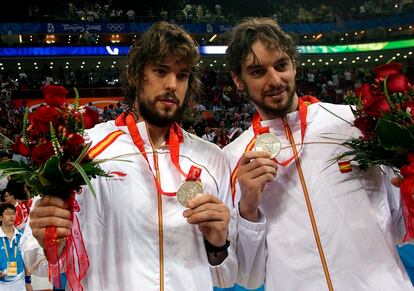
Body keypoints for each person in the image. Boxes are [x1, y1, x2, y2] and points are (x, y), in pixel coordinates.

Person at [21, 21, 236, 290]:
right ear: (136, 75)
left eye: (182, 75)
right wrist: (48, 236)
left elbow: (226, 276)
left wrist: (218, 244)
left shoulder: (211, 158)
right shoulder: (84, 149)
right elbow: (36, 258)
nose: (172, 84)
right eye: (161, 71)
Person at [224, 17, 413, 290]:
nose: (274, 80)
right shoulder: (234, 157)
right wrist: (247, 209)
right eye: (257, 72)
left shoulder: (354, 123)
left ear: (294, 65)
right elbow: (249, 276)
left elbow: (401, 225)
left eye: (281, 65)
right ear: (238, 80)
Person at [0, 204, 32, 291]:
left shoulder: (22, 236)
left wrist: (28, 282)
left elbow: (27, 261)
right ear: (0, 218)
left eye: (13, 213)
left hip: (19, 282)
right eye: (7, 213)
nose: (11, 216)